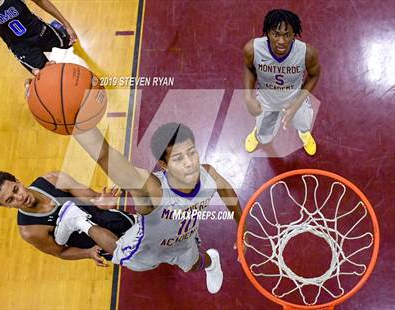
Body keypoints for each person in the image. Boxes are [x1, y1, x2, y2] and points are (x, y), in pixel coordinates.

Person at [54, 122, 244, 294]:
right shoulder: (152, 189)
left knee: (194, 265)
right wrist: (75, 117)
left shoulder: (208, 174)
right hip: (146, 247)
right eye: (178, 158)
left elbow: (226, 191)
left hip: (183, 240)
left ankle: (212, 264)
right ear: (163, 164)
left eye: (192, 152)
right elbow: (104, 154)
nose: (189, 162)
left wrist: (241, 225)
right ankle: (78, 220)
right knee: (118, 251)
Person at [0, 170, 135, 266]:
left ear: (18, 181)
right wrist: (88, 253)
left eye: (15, 189)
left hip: (113, 220)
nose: (19, 197)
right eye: (10, 200)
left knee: (154, 235)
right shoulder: (30, 230)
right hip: (98, 245)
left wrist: (102, 201)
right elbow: (60, 252)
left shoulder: (53, 179)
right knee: (136, 259)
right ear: (5, 207)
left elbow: (92, 198)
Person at [244, 9, 321, 155]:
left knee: (304, 125)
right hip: (267, 101)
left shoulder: (307, 53)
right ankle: (257, 133)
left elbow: (314, 75)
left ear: (294, 35)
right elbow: (249, 68)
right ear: (267, 33)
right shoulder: (252, 49)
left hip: (295, 99)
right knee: (265, 137)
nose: (281, 41)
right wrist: (248, 96)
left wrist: (297, 103)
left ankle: (304, 135)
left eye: (287, 35)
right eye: (276, 34)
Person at [0, 0, 77, 72]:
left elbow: (41, 1)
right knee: (46, 76)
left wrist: (66, 24)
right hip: (22, 48)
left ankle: (57, 27)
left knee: (69, 45)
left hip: (40, 31)